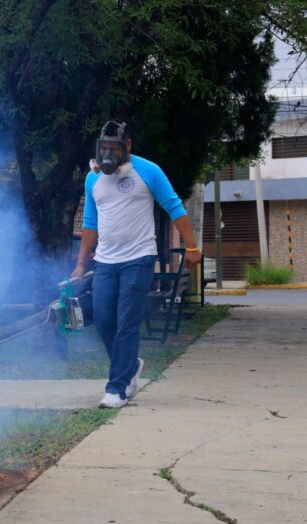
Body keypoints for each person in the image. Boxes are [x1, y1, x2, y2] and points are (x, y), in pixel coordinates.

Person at [71, 120, 201, 409]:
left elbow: (174, 206)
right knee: (104, 320)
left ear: (127, 146)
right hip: (105, 261)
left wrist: (192, 246)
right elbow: (90, 223)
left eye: (113, 148)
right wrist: (81, 264)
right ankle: (130, 367)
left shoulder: (148, 171)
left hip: (139, 259)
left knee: (126, 322)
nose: (107, 154)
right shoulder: (93, 178)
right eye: (102, 147)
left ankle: (116, 389)